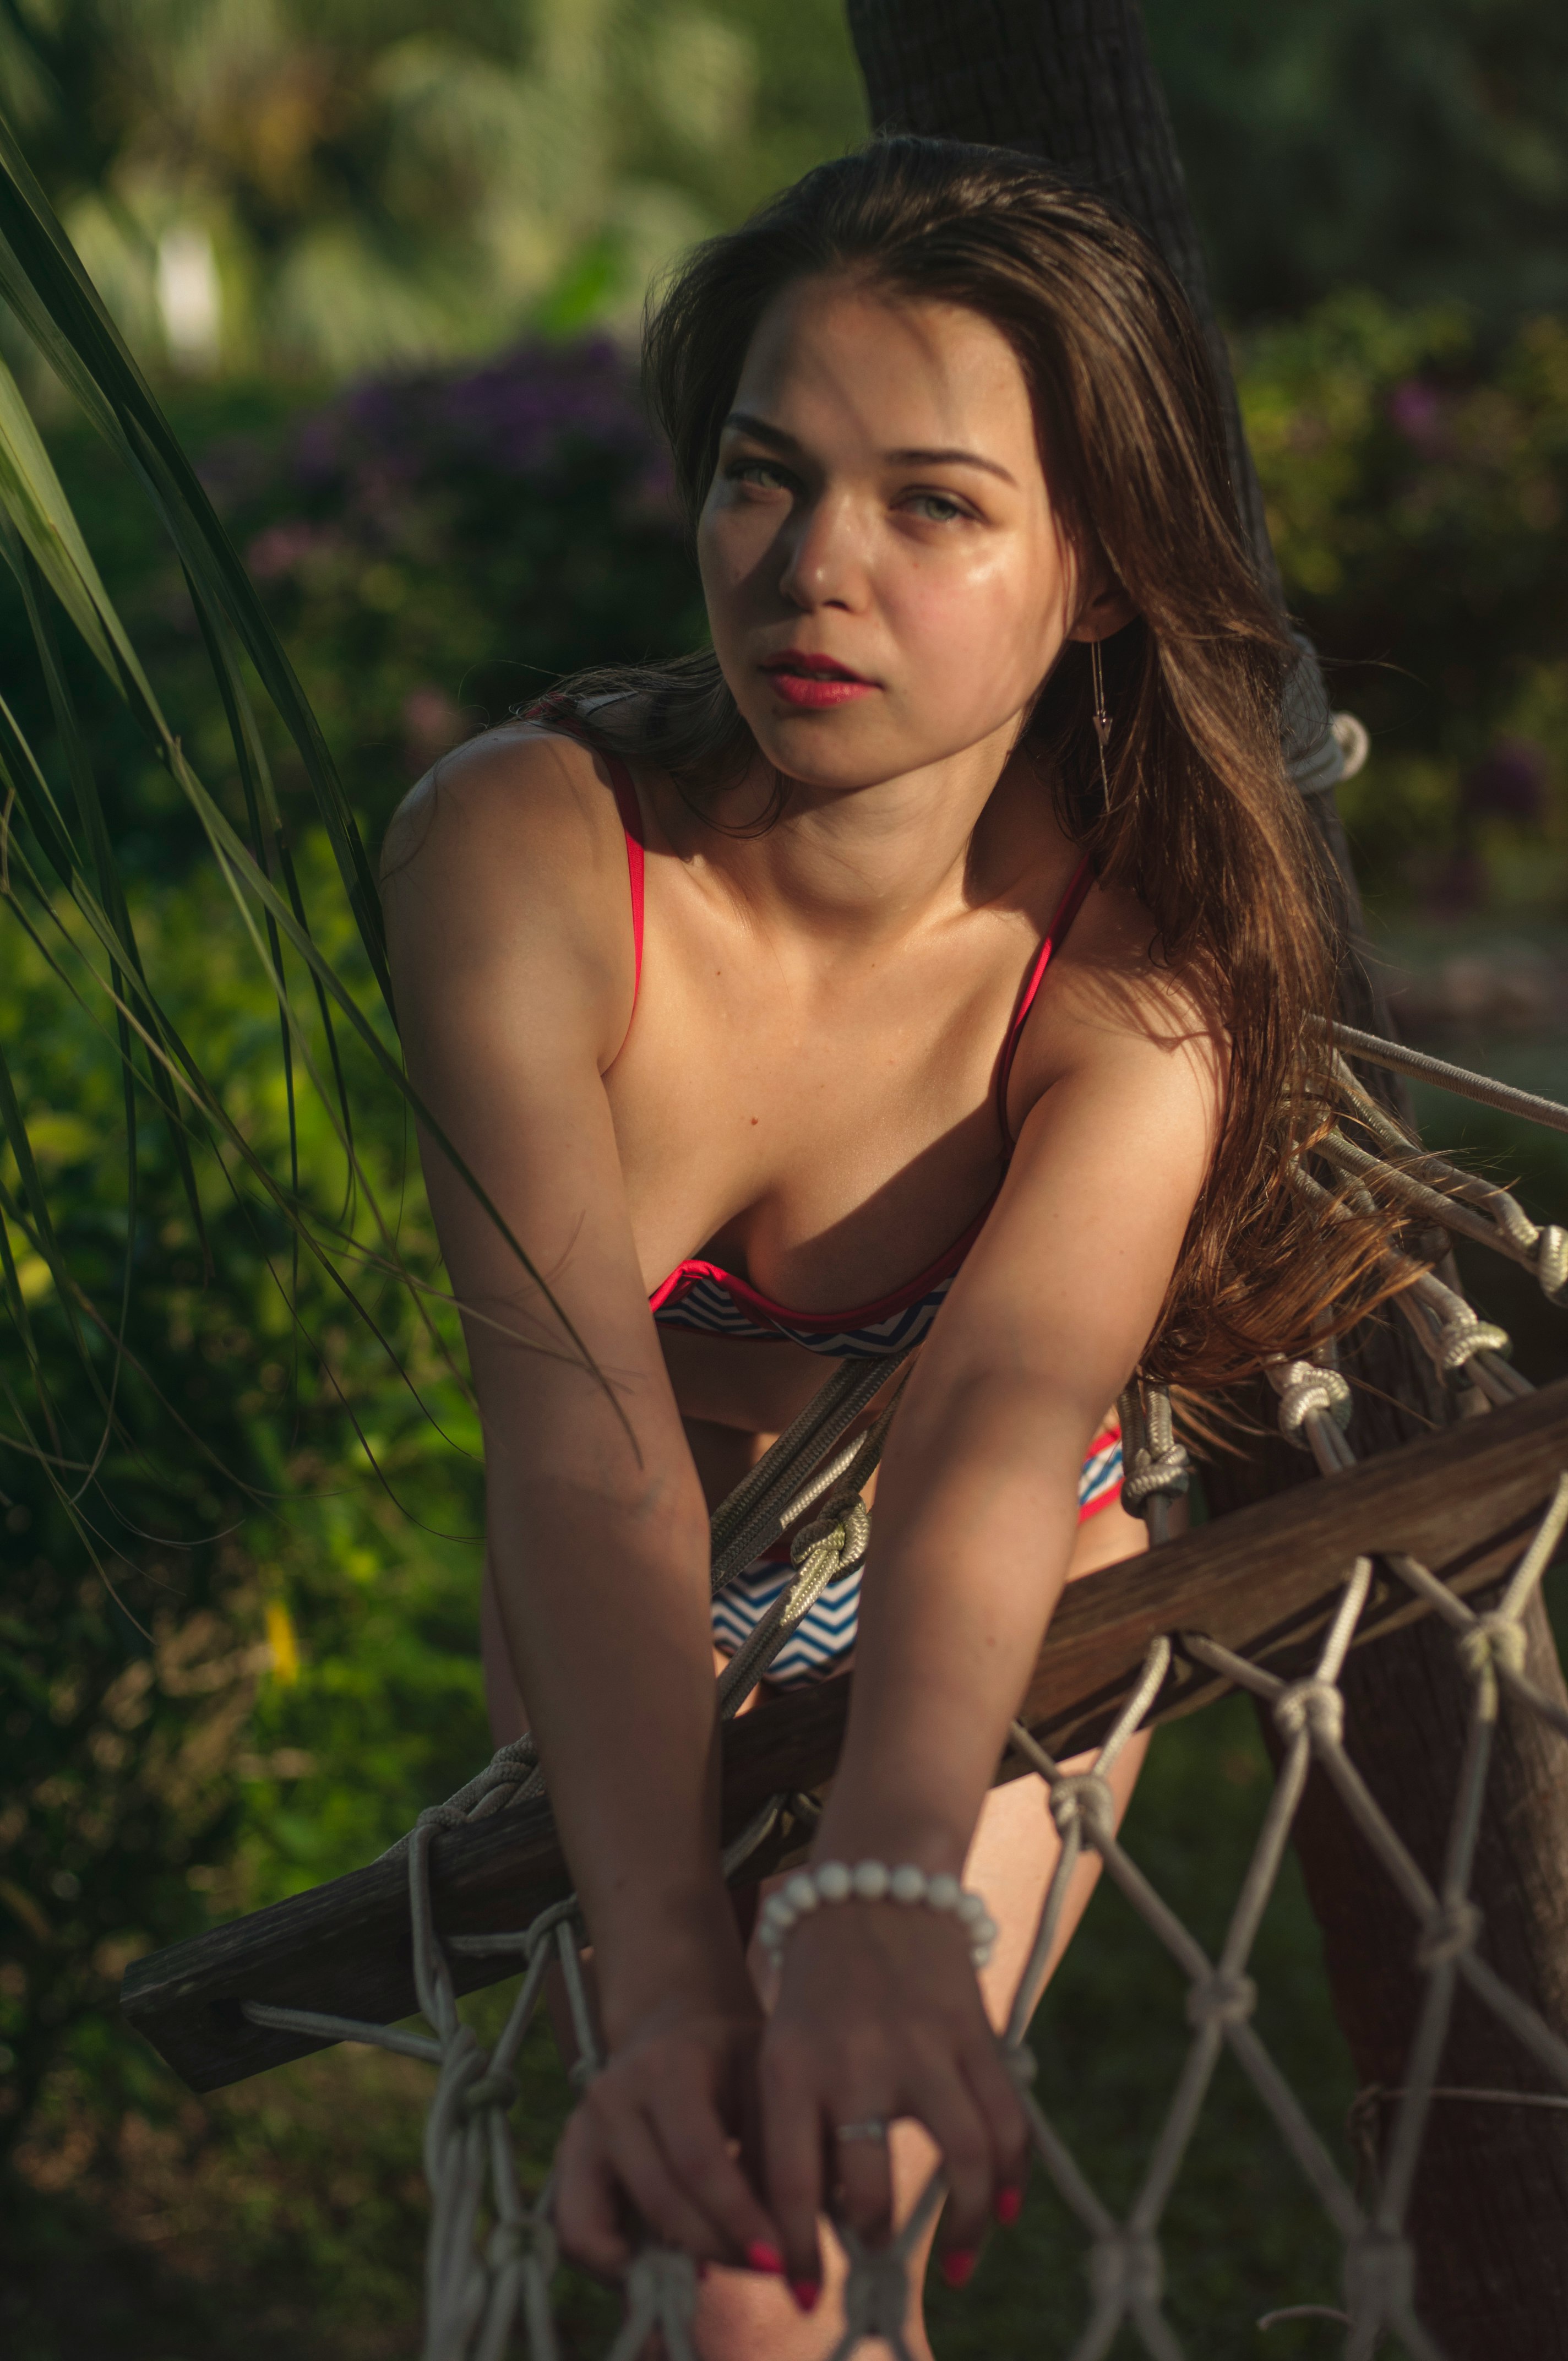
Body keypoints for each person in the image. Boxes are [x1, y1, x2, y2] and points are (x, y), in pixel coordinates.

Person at [382, 137, 1395, 2357]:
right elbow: (577, 1453)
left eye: (933, 503)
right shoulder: (526, 861)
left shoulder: (1136, 966)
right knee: (720, 2167)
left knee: (790, 2254)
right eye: (765, 476)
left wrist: (881, 1885)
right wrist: (664, 1981)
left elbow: (998, 1429)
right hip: (641, 1577)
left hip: (1014, 1575)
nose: (814, 567)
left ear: (1101, 571)